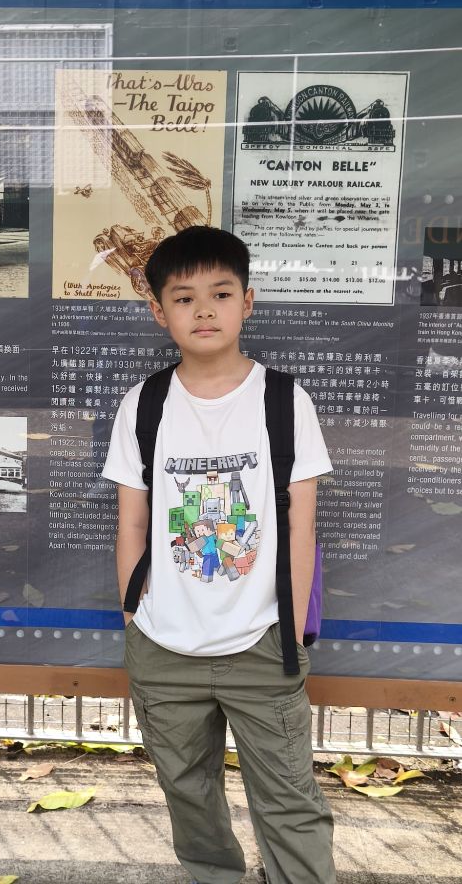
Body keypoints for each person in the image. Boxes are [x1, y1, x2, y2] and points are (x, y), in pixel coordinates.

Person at [102, 226, 336, 884]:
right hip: (163, 646)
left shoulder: (284, 400)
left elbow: (302, 527)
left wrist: (289, 631)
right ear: (160, 312)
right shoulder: (145, 405)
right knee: (187, 793)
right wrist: (135, 618)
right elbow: (132, 521)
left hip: (262, 642)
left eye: (221, 293)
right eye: (184, 298)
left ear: (247, 302)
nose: (203, 310)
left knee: (288, 798)